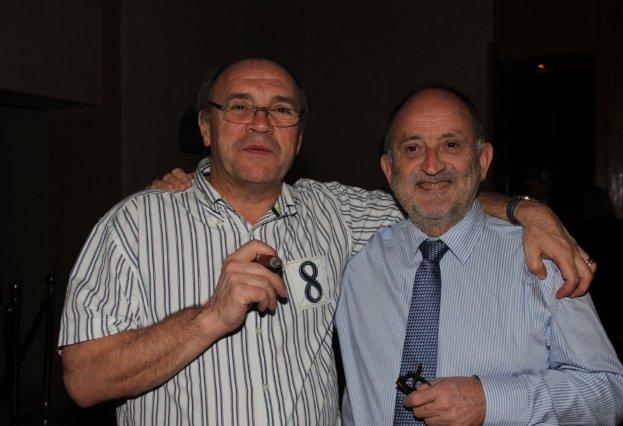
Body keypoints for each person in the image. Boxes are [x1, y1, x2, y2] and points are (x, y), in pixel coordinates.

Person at [59, 56, 593, 425]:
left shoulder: (333, 212)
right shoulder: (134, 225)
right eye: (239, 107)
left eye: (282, 110)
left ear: (298, 135)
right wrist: (209, 318)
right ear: (205, 127)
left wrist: (529, 210)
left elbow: (432, 192)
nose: (261, 124)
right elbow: (83, 381)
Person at [335, 85, 623, 425]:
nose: (431, 165)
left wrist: (490, 400)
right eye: (413, 148)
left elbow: (611, 390)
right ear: (389, 169)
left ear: (482, 161)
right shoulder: (351, 259)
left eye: (451, 144)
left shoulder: (540, 257)